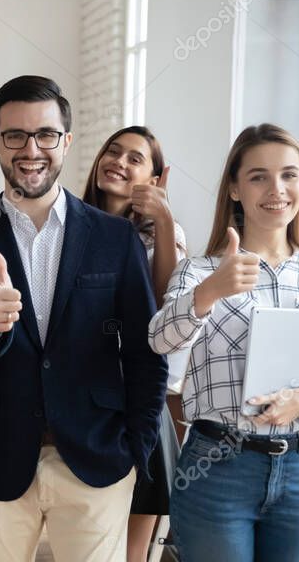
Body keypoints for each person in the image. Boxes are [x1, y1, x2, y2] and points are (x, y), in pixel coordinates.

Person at [0, 75, 168, 562]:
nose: (30, 149)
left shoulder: (114, 238)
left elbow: (146, 353)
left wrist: (135, 450)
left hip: (97, 458)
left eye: (45, 135)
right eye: (14, 136)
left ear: (67, 141)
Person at [149, 123, 299, 562]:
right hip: (217, 468)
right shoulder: (199, 273)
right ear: (235, 188)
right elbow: (160, 341)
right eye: (258, 176)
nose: (277, 188)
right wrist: (210, 291)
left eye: (290, 174)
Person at [82, 126, 187, 562]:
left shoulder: (161, 230)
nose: (119, 163)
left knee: (131, 552)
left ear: (156, 177)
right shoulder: (69, 220)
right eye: (113, 151)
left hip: (138, 396)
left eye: (135, 158)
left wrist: (162, 219)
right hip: (83, 395)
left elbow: (166, 305)